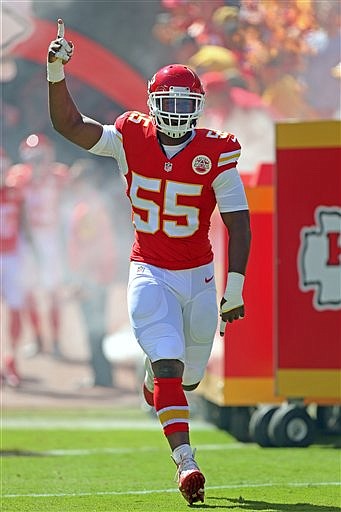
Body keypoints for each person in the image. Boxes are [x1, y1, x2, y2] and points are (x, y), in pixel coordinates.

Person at [47, 19, 251, 505]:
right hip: (151, 271)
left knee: (190, 377)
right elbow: (68, 126)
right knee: (168, 366)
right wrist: (56, 72)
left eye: (187, 104)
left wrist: (235, 285)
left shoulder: (215, 152)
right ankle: (186, 462)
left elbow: (238, 222)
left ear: (197, 107)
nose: (178, 114)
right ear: (153, 105)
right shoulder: (128, 138)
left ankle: (156, 384)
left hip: (199, 276)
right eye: (170, 103)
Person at [67, 158, 116, 388]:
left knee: (94, 328)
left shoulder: (87, 209)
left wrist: (82, 280)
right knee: (95, 327)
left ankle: (102, 377)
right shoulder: (94, 205)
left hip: (92, 278)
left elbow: (89, 248)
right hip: (96, 276)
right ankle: (101, 375)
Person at [19, 133, 69, 359]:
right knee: (29, 291)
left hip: (51, 237)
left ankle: (56, 340)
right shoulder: (18, 177)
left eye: (41, 155)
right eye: (33, 155)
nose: (37, 161)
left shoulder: (59, 175)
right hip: (28, 239)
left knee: (53, 292)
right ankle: (38, 339)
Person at [0, 148, 26, 387]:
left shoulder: (15, 193)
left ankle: (12, 359)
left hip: (12, 257)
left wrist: (30, 253)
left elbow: (24, 225)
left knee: (16, 309)